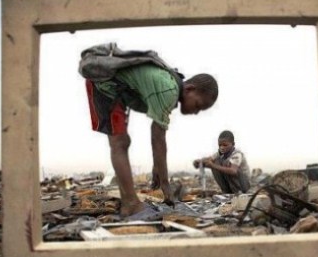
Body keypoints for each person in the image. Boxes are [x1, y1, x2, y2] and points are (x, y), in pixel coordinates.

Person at [85, 63, 218, 218]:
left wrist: (157, 166)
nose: (195, 112)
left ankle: (128, 201)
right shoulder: (169, 90)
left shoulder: (170, 85)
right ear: (189, 89)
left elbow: (157, 136)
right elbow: (158, 138)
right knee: (120, 143)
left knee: (122, 142)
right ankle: (130, 204)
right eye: (197, 105)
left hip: (114, 87)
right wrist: (165, 184)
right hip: (105, 83)